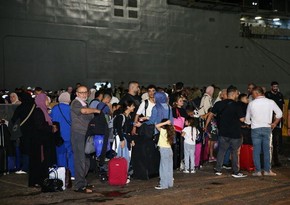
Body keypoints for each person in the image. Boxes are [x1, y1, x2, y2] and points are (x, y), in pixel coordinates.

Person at [205, 85, 247, 178]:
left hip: (223, 132)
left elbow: (211, 115)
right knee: (235, 153)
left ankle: (218, 169)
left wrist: (206, 125)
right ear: (234, 93)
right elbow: (242, 119)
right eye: (237, 93)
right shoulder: (237, 105)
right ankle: (236, 172)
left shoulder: (219, 104)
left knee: (221, 151)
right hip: (235, 133)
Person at [245, 86, 282, 177]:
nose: (252, 95)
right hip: (267, 128)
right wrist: (274, 123)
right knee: (267, 150)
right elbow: (280, 113)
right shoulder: (270, 102)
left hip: (255, 129)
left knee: (256, 151)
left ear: (257, 93)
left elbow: (247, 120)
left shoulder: (251, 104)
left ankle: (257, 171)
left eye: (253, 93)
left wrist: (249, 123)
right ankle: (267, 170)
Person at [71, 85, 101, 193]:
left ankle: (83, 181)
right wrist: (96, 110)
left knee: (87, 159)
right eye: (81, 92)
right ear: (77, 94)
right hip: (79, 134)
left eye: (85, 92)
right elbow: (83, 111)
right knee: (80, 160)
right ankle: (79, 185)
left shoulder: (85, 103)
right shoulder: (76, 103)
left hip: (86, 135)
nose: (84, 94)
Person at [29, 93, 57, 187]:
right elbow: (39, 126)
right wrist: (51, 128)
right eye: (46, 100)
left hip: (42, 141)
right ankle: (38, 181)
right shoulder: (39, 111)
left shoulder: (43, 110)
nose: (48, 102)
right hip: (39, 142)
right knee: (39, 161)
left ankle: (41, 180)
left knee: (42, 161)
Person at [50, 92, 75, 179]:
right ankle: (72, 174)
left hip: (58, 136)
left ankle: (61, 174)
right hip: (69, 135)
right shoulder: (71, 109)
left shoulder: (54, 108)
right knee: (71, 154)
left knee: (60, 155)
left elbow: (51, 120)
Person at [11, 92, 35, 174]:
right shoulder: (34, 106)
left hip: (23, 131)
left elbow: (14, 119)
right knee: (33, 148)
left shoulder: (20, 107)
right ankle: (33, 166)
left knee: (24, 149)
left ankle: (25, 167)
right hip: (34, 131)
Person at [113, 100, 136, 184]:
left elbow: (128, 131)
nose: (133, 107)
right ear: (128, 107)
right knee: (121, 157)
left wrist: (131, 139)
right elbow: (119, 129)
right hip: (121, 139)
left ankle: (124, 175)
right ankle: (120, 176)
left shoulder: (128, 117)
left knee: (126, 158)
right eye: (132, 106)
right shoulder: (121, 117)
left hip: (125, 138)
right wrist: (122, 140)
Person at [265, 81, 284, 166]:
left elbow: (282, 107)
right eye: (274, 86)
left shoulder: (280, 95)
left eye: (277, 86)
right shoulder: (267, 95)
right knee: (269, 141)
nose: (275, 88)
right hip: (269, 120)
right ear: (271, 87)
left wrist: (282, 117)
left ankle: (276, 160)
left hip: (278, 120)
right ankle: (269, 161)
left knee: (276, 141)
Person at [154, 119, 175, 190]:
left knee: (163, 168)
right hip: (169, 150)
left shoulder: (163, 131)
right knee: (169, 167)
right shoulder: (171, 132)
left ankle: (163, 184)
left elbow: (156, 126)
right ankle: (169, 183)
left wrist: (165, 122)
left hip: (164, 150)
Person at [172, 94, 188, 170]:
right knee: (176, 146)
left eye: (182, 101)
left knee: (180, 147)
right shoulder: (174, 109)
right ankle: (176, 163)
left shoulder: (182, 110)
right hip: (176, 129)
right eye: (180, 101)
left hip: (180, 129)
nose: (182, 102)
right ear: (176, 102)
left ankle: (178, 163)